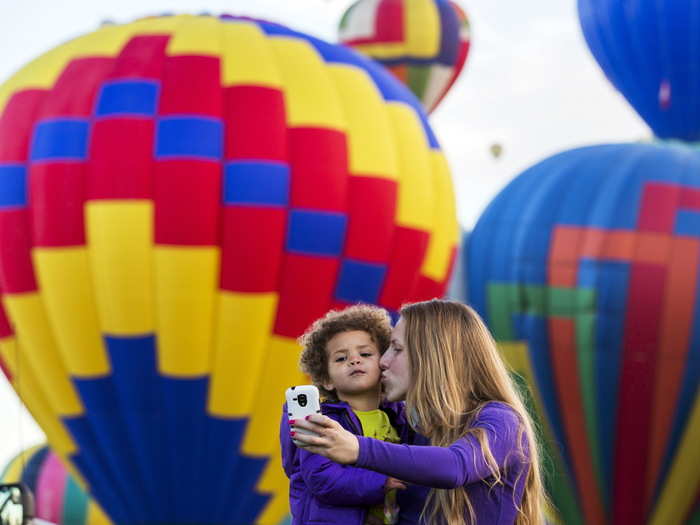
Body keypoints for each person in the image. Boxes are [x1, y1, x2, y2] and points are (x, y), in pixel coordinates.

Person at [291, 299, 546, 525]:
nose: (382, 361)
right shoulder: (412, 429)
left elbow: (455, 466)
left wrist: (357, 449)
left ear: (432, 355)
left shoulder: (500, 420)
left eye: (397, 349)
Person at [280, 305, 428, 525]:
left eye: (365, 354)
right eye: (341, 359)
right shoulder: (322, 422)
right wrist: (382, 481)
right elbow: (321, 478)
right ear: (326, 379)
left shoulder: (400, 418)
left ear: (384, 365)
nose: (354, 360)